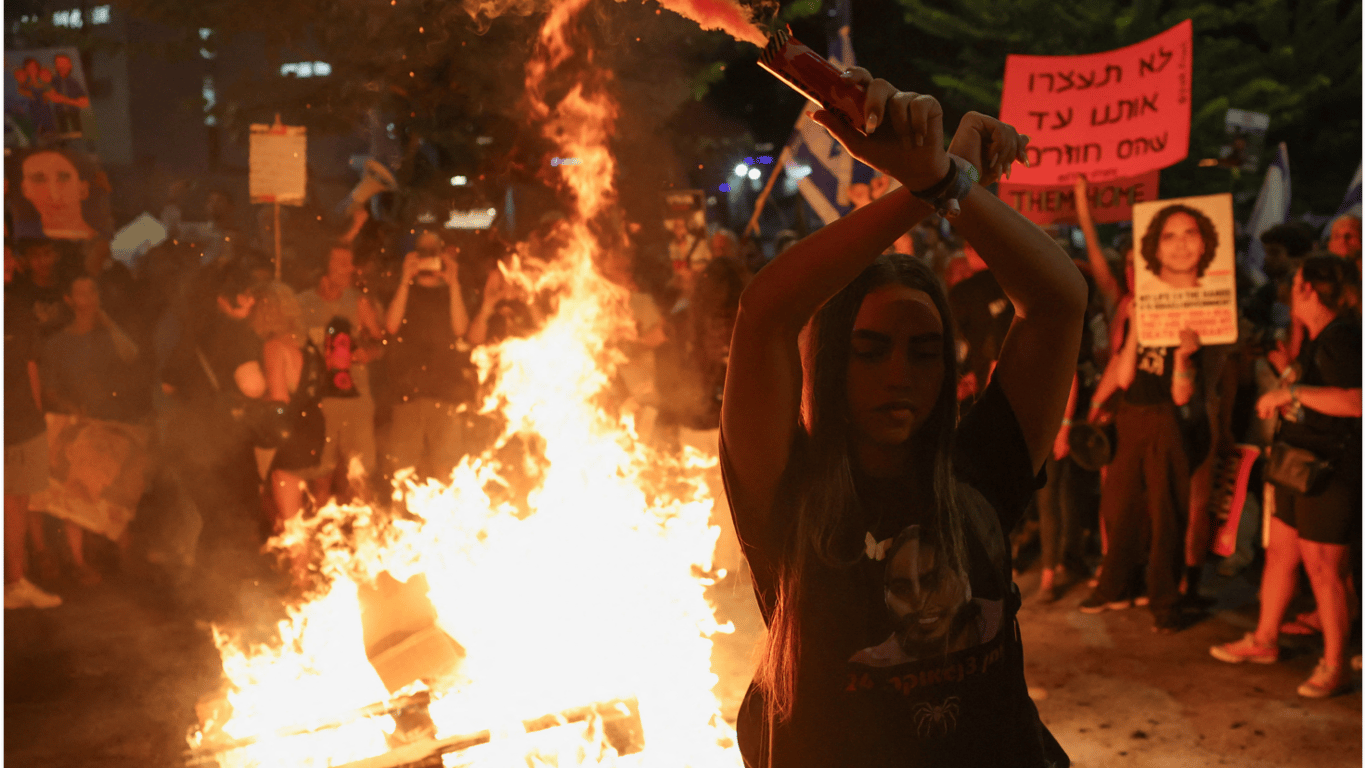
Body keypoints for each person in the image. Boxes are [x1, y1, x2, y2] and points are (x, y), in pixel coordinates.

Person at [720, 68, 1082, 767]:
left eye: (924, 353)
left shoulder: (981, 469)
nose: (899, 375)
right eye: (870, 351)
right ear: (830, 365)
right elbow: (764, 315)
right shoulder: (788, 489)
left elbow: (1061, 301)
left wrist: (948, 181)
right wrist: (919, 191)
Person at [1209, 255, 1362, 698]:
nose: (1288, 290)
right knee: (1281, 554)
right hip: (1300, 463)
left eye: (1294, 283)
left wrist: (1289, 392)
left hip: (1328, 471)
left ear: (1309, 289)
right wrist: (1290, 373)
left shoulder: (1342, 337)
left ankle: (1335, 665)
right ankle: (1264, 639)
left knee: (1324, 568)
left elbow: (1355, 401)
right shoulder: (1322, 338)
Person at [37, 274, 143, 587]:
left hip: (114, 421)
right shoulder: (57, 343)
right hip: (78, 425)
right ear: (69, 301)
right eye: (82, 294)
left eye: (94, 291)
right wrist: (69, 407)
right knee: (76, 494)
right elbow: (49, 387)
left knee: (118, 492)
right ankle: (78, 561)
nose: (91, 299)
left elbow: (133, 357)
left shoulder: (109, 334)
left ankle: (125, 556)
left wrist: (109, 324)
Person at [297, 243, 383, 503]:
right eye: (342, 263)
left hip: (356, 402)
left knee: (358, 476)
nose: (350, 269)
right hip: (319, 404)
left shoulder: (358, 301)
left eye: (351, 262)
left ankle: (364, 538)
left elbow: (380, 342)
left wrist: (368, 353)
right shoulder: (302, 304)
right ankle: (320, 535)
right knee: (320, 476)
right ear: (325, 269)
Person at [383, 230, 471, 482]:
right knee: (404, 470)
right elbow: (391, 326)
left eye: (433, 251)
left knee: (446, 468)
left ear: (442, 254)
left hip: (445, 390)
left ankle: (449, 519)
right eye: (422, 251)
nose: (428, 258)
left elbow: (460, 329)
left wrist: (453, 282)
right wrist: (404, 280)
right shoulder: (403, 290)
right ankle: (400, 520)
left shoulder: (450, 292)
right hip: (408, 391)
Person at [2, 246, 62, 609]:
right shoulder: (15, 309)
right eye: (4, 257)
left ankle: (16, 580)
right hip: (13, 422)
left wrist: (37, 417)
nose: (13, 263)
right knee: (12, 501)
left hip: (23, 421)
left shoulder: (15, 307)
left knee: (17, 501)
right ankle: (15, 582)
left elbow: (30, 365)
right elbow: (28, 366)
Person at [15, 147, 97, 240]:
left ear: (83, 189)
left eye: (63, 178)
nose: (54, 195)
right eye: (39, 180)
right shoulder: (21, 240)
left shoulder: (107, 245)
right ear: (25, 190)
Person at [1139, 204, 1219, 290]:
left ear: (1204, 245)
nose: (1181, 245)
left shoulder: (1218, 297)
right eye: (1170, 237)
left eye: (1190, 235)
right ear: (1155, 248)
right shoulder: (1143, 295)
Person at [45, 53, 89, 135]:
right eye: (59, 64)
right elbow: (51, 96)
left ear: (70, 66)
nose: (62, 67)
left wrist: (66, 100)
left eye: (64, 64)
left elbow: (85, 102)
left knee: (78, 132)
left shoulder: (74, 82)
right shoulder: (53, 81)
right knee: (62, 134)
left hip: (74, 114)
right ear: (56, 66)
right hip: (60, 115)